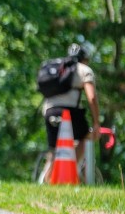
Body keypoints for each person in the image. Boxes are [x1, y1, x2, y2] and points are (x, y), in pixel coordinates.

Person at [42, 43, 101, 177]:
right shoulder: (84, 69)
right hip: (68, 112)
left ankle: (45, 178)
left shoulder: (59, 67)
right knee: (86, 136)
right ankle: (70, 168)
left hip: (49, 111)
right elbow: (92, 98)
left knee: (54, 148)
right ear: (85, 59)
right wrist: (96, 122)